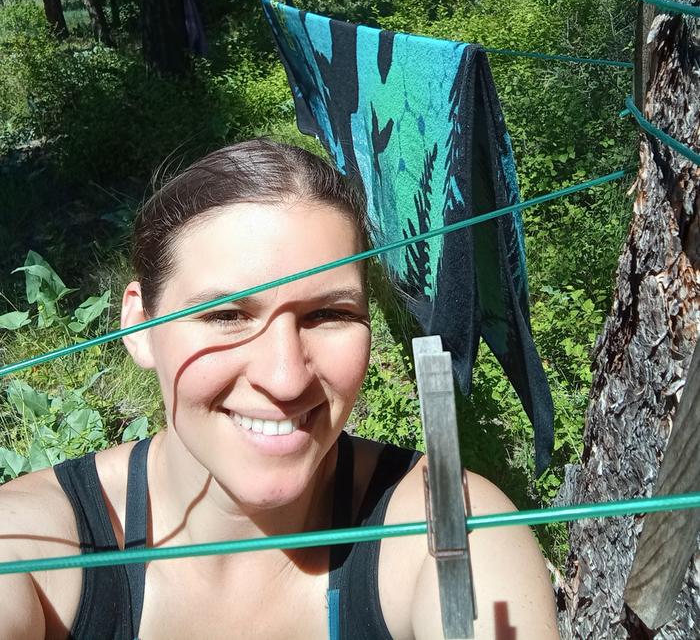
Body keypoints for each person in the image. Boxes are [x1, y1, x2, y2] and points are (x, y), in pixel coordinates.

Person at [0, 140, 560, 639]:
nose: (287, 378)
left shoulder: (453, 524)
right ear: (139, 327)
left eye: (328, 314)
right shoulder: (28, 548)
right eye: (226, 315)